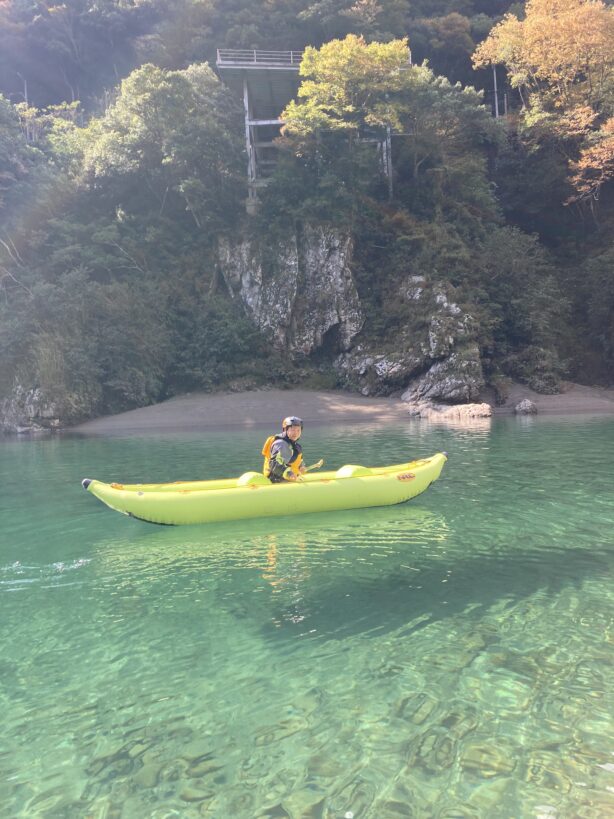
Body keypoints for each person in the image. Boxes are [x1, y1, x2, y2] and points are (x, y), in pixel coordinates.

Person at [262, 416, 307, 483]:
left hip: (289, 477)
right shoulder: (280, 444)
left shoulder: (295, 446)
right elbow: (274, 464)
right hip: (275, 480)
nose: (296, 433)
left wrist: (301, 466)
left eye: (298, 430)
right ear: (286, 430)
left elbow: (298, 460)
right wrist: (289, 474)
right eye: (293, 430)